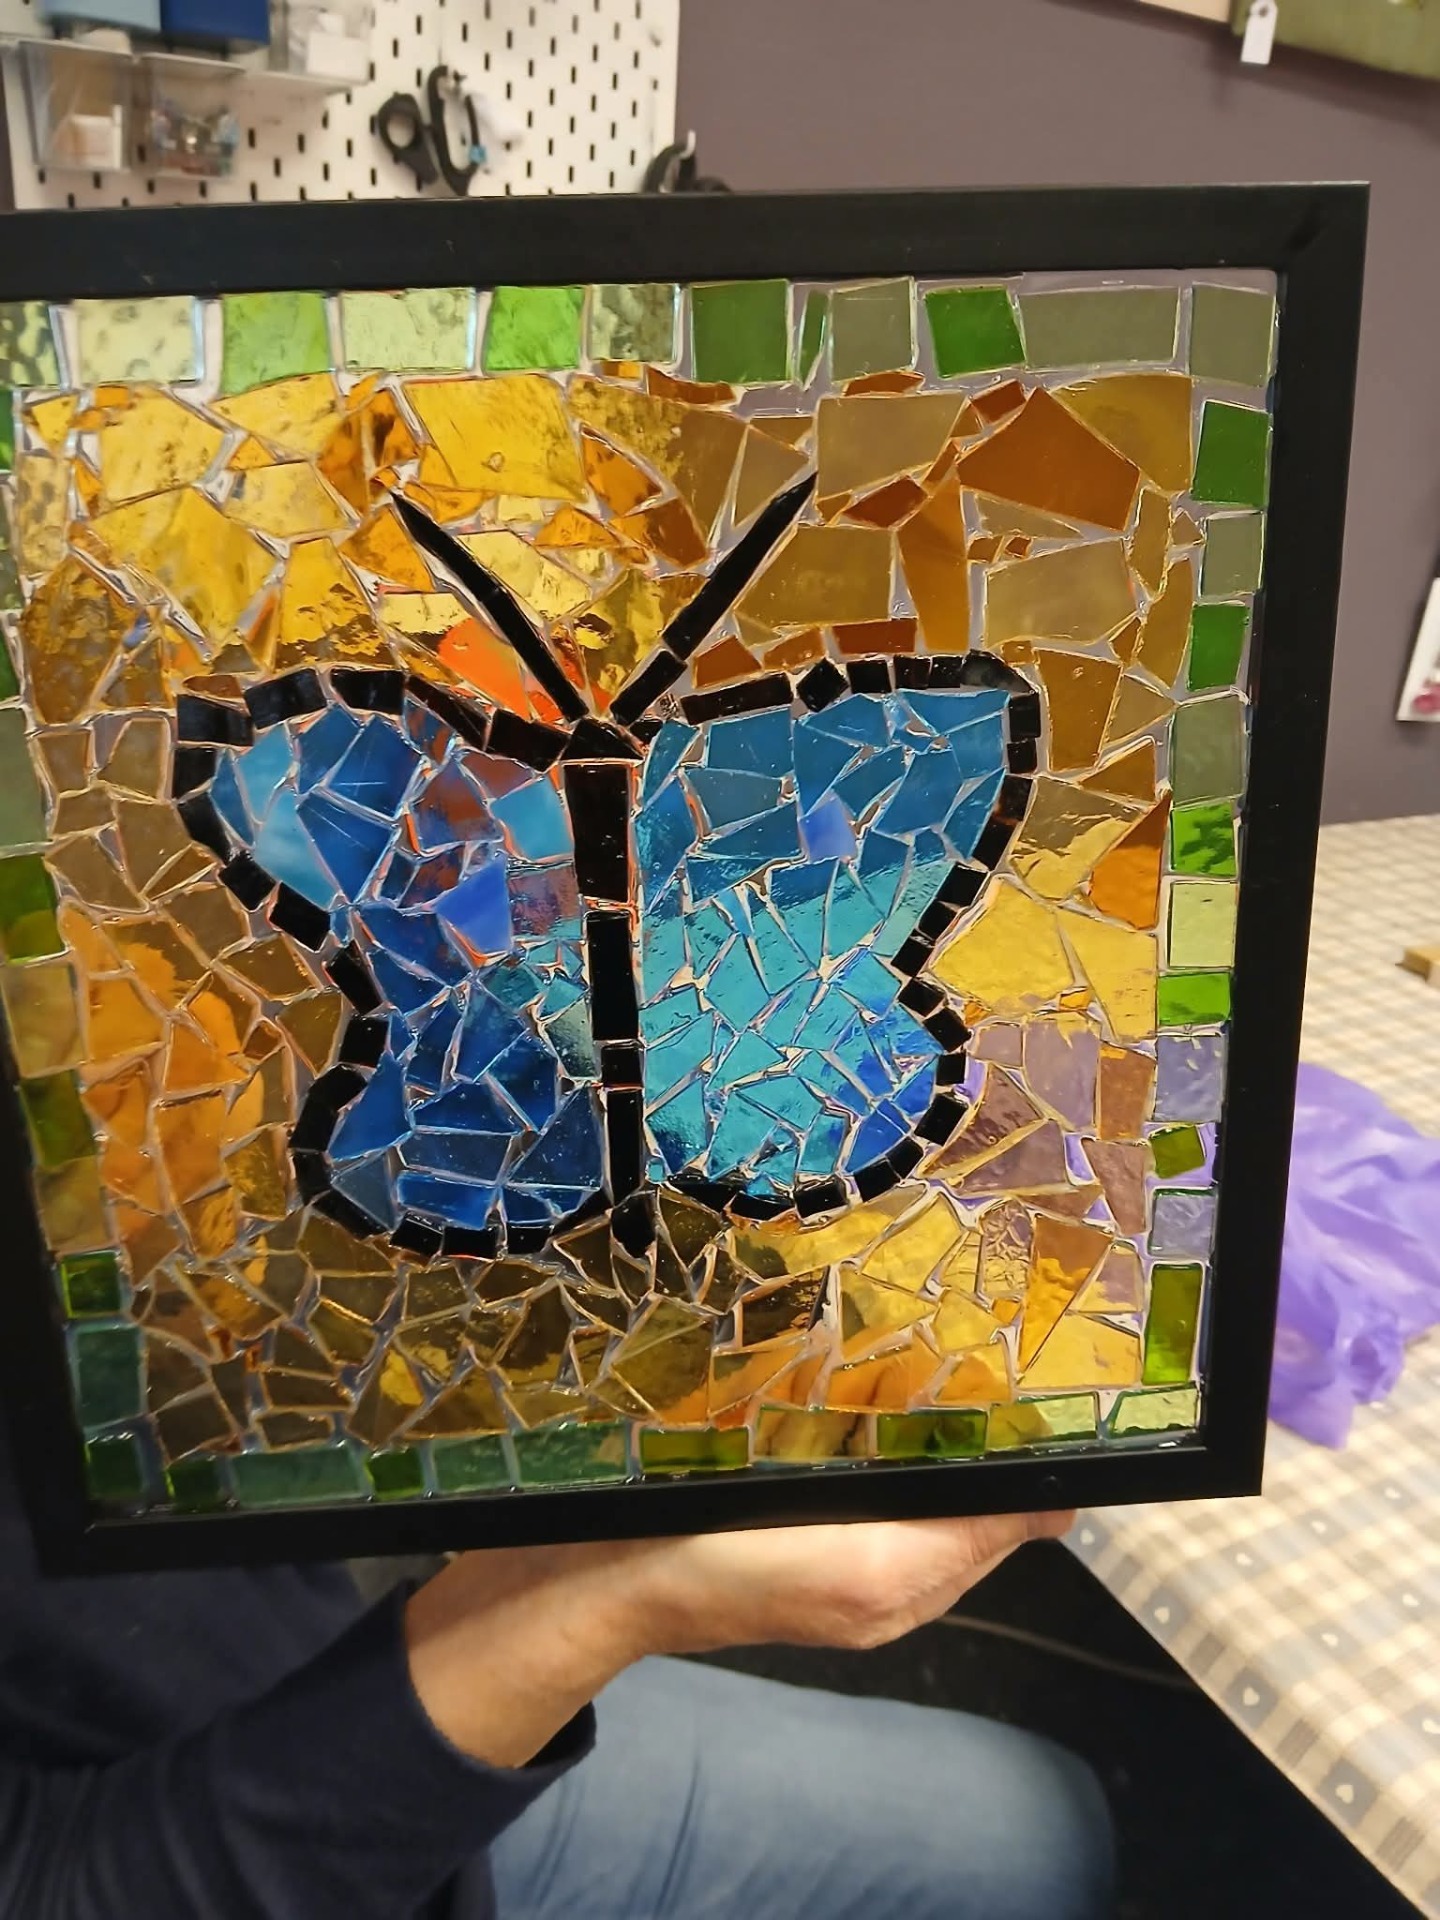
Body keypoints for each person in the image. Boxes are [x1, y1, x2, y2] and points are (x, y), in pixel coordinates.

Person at [0, 1422, 1114, 1918]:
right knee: (1034, 1839)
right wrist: (594, 1594)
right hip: (209, 1839)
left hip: (290, 1675)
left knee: (1035, 1829)